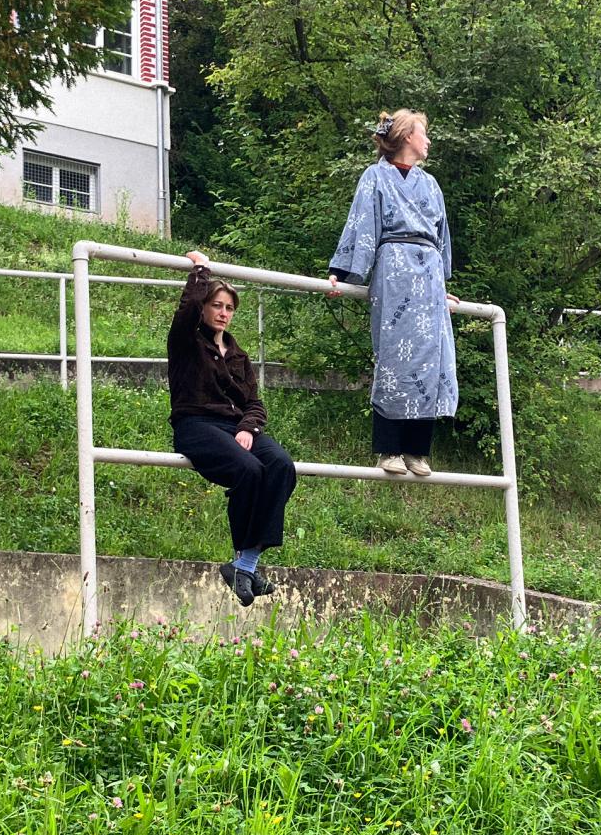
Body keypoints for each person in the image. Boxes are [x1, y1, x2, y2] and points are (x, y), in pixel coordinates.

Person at [326, 109, 461, 476]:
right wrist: (343, 273)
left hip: (429, 273)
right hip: (395, 269)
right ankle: (388, 449)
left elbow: (442, 237)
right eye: (424, 134)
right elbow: (362, 222)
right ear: (405, 137)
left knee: (432, 359)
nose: (429, 141)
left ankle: (418, 450)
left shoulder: (430, 184)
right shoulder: (376, 177)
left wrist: (442, 290)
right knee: (394, 359)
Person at [168, 250, 298, 607]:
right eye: (216, 305)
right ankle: (245, 565)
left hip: (237, 427)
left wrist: (248, 428)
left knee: (281, 466)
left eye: (229, 307)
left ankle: (244, 564)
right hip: (196, 425)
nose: (223, 313)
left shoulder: (238, 355)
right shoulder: (186, 342)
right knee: (249, 470)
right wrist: (200, 270)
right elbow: (185, 312)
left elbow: (255, 403)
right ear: (205, 308)